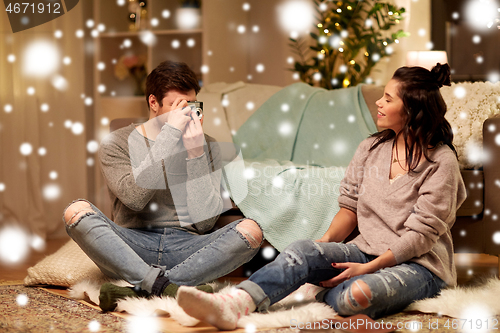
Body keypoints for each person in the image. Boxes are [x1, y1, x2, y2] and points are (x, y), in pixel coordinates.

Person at [176, 63, 467, 330]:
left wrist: (366, 268)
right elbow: (349, 207)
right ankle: (235, 304)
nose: (378, 103)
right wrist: (324, 246)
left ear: (413, 109)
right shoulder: (370, 148)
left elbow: (421, 237)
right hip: (365, 249)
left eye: (388, 99)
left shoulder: (441, 162)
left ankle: (320, 291)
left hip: (420, 264)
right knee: (303, 250)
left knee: (358, 293)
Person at [63, 60, 263, 311]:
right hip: (131, 246)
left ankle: (144, 289)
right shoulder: (116, 142)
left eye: (190, 105)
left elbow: (204, 223)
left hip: (188, 248)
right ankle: (170, 289)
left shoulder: (206, 145)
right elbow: (135, 198)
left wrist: (195, 153)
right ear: (153, 103)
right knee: (76, 211)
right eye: (176, 106)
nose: (186, 113)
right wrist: (168, 136)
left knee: (252, 230)